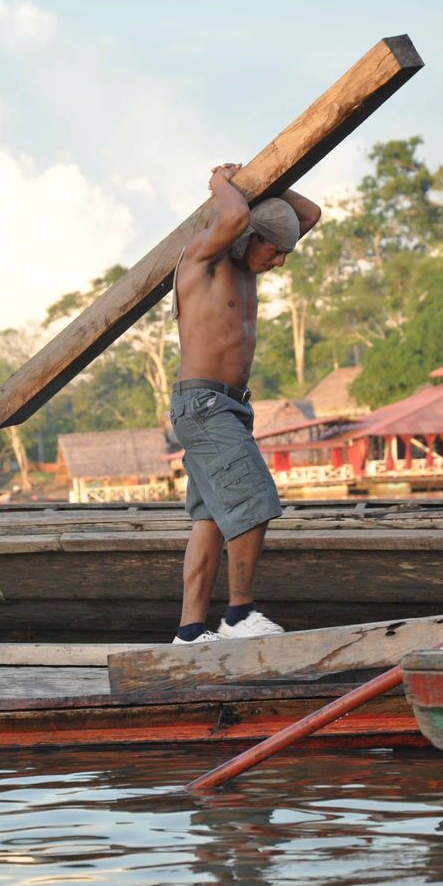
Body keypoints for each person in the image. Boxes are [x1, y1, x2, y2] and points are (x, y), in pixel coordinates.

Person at [169, 163, 321, 644]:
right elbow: (233, 218)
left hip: (228, 407)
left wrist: (265, 182)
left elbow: (310, 213)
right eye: (274, 250)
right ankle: (239, 616)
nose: (279, 262)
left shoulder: (245, 267)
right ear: (248, 237)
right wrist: (221, 181)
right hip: (205, 406)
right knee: (254, 500)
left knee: (211, 519)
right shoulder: (203, 260)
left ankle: (190, 632)